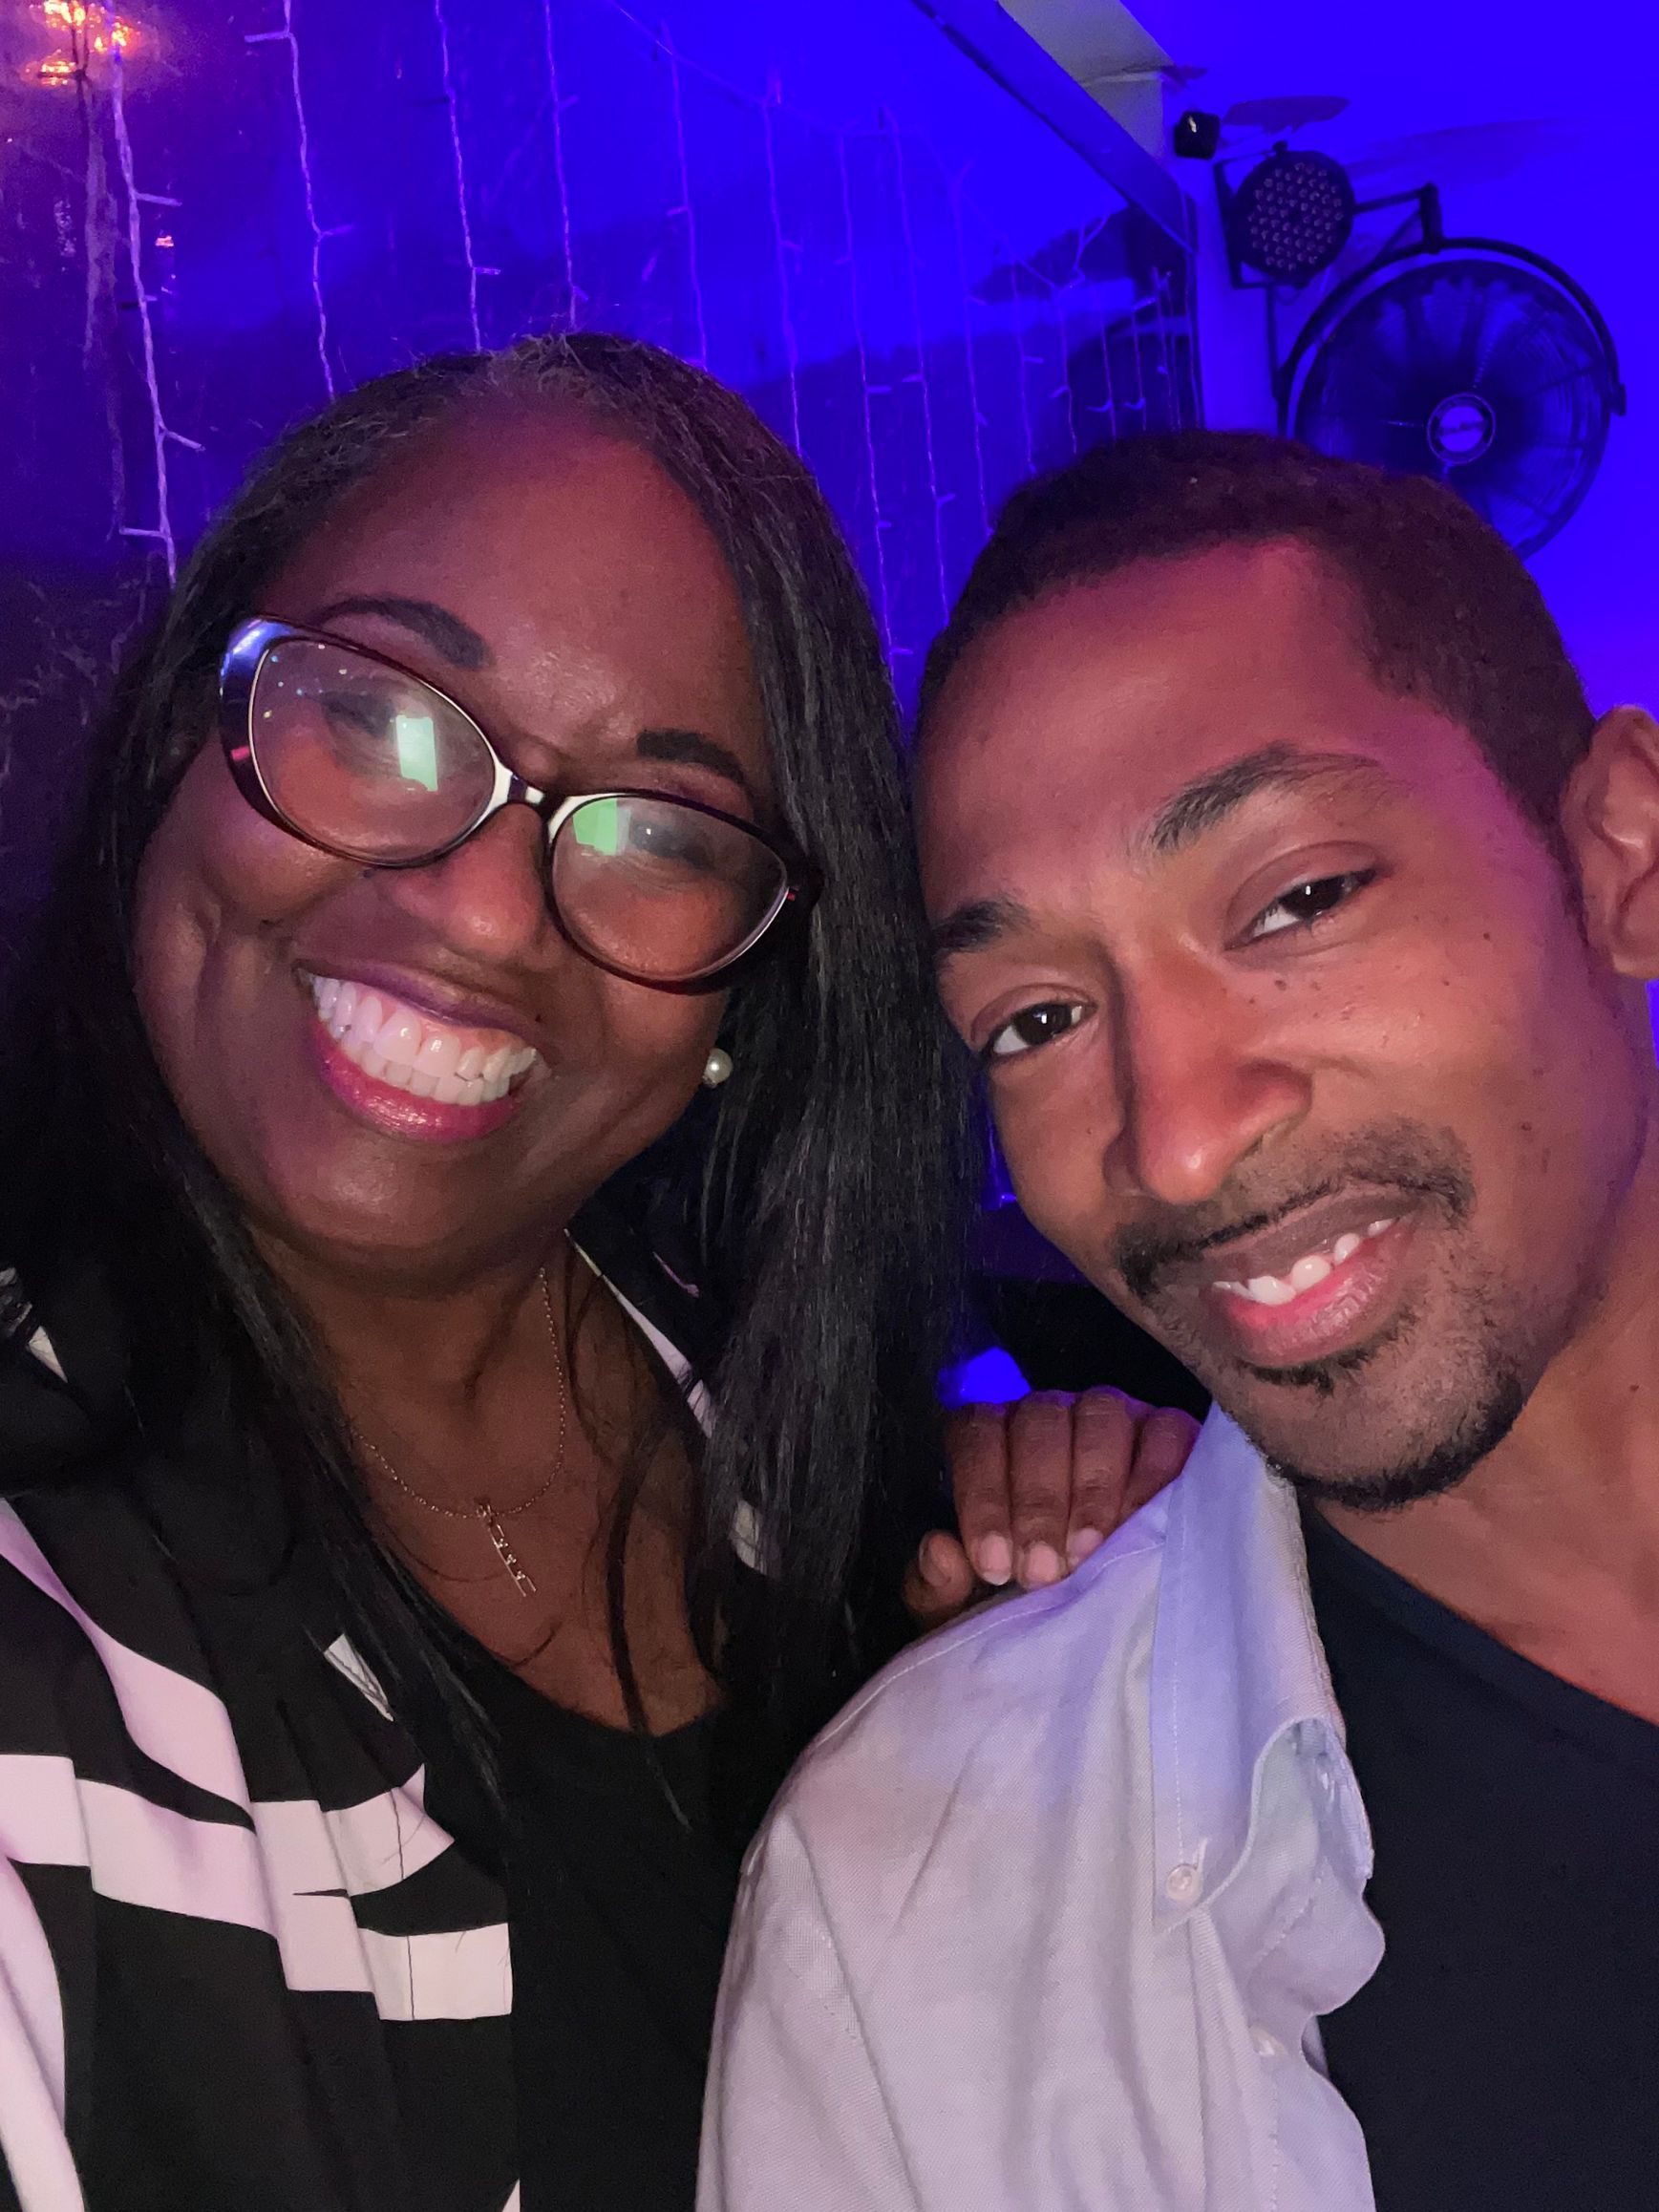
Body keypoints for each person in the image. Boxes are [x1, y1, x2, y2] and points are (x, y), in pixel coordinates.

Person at [0, 335, 1198, 2212]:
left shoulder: (811, 1475)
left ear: (744, 994)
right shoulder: (51, 1630)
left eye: (656, 832)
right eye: (380, 720)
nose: (485, 912)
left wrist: (1039, 1636)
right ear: (183, 733)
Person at [701, 431, 1659, 2212]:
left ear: (1618, 855)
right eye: (1034, 1021)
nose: (1177, 1139)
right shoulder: (919, 1906)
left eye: (1295, 902)